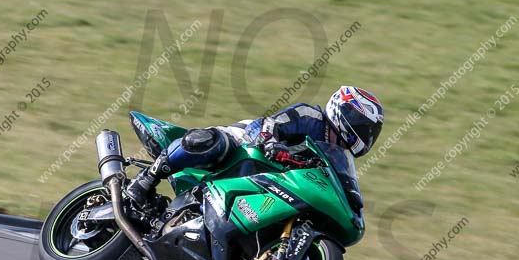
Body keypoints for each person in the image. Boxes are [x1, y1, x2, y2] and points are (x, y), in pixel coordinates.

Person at [125, 86, 384, 208]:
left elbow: (339, 186)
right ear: (344, 111)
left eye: (371, 132)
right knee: (209, 142)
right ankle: (146, 179)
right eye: (363, 127)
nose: (366, 136)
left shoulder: (338, 154)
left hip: (272, 184)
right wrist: (272, 143)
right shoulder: (311, 117)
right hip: (246, 147)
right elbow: (269, 125)